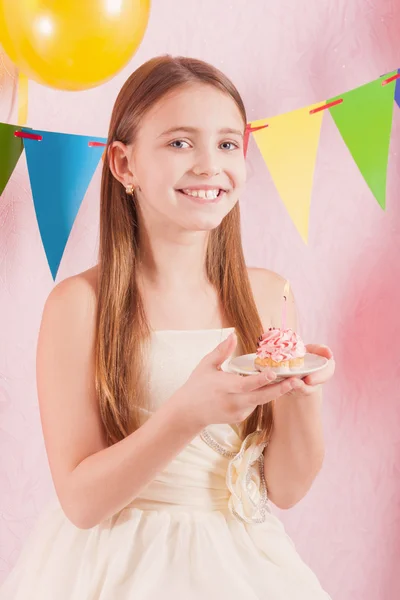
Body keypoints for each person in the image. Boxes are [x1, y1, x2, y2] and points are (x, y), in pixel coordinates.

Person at [0, 55, 335, 599]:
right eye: (180, 143)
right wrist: (187, 413)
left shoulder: (269, 295)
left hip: (243, 567)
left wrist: (302, 395)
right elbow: (82, 503)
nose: (209, 165)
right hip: (117, 566)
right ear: (123, 165)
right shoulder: (78, 305)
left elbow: (288, 488)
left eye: (227, 144)